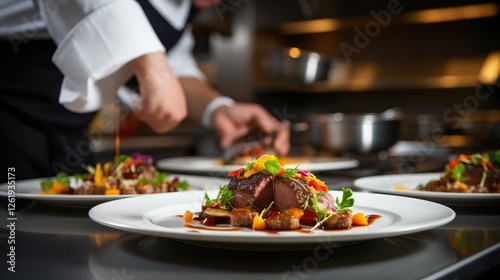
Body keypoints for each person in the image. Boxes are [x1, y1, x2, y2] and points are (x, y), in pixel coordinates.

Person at [0, 0, 290, 183]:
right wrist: (152, 64)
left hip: (68, 133)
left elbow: (177, 67)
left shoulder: (184, 9)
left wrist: (219, 108)